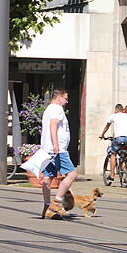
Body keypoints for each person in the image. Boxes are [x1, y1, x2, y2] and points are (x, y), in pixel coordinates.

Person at [40, 89, 78, 219]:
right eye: (66, 99)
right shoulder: (57, 109)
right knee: (72, 174)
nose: (66, 102)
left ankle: (47, 208)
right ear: (59, 97)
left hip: (47, 149)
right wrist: (56, 144)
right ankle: (57, 202)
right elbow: (53, 125)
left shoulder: (48, 110)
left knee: (48, 178)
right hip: (58, 149)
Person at [99, 103, 127, 183]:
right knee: (124, 155)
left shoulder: (114, 116)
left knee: (113, 154)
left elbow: (107, 126)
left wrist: (102, 135)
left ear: (116, 110)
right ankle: (125, 170)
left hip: (118, 138)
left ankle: (112, 176)